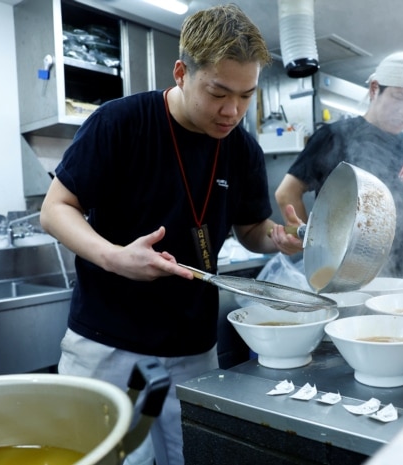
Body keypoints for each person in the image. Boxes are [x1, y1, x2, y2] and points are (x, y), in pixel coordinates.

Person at [39, 4, 303, 465]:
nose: (232, 111)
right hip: (108, 343)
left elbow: (252, 231)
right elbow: (55, 209)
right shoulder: (119, 123)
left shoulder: (242, 149)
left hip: (193, 348)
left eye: (246, 96)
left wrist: (280, 238)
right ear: (181, 72)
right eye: (218, 92)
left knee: (195, 456)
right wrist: (115, 257)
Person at [275, 51, 403, 278]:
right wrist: (310, 246)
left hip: (398, 273)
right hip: (345, 275)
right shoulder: (334, 136)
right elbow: (287, 193)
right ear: (374, 89)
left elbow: (398, 201)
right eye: (399, 97)